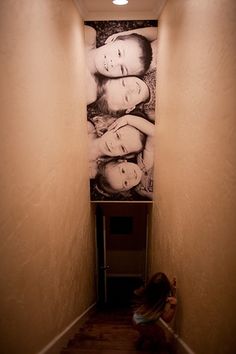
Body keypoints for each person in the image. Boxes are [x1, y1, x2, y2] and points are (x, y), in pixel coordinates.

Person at [94, 115, 154, 199]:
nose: (130, 176)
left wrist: (128, 119)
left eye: (123, 171)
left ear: (122, 160)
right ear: (126, 190)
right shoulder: (140, 190)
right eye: (125, 183)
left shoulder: (144, 164)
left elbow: (154, 134)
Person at [88, 114, 149, 179]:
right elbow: (154, 133)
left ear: (124, 155)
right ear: (113, 127)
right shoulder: (88, 128)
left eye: (122, 148)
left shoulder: (94, 171)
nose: (113, 145)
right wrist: (128, 118)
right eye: (117, 136)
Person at [85, 25, 153, 78]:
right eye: (119, 53)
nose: (114, 63)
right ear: (114, 39)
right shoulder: (88, 34)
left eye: (122, 69)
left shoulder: (90, 89)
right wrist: (118, 35)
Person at [132, 272, 177, 351]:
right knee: (160, 333)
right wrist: (173, 306)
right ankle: (161, 350)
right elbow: (167, 319)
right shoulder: (157, 305)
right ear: (164, 291)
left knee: (146, 333)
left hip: (136, 320)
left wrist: (171, 285)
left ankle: (139, 344)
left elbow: (160, 289)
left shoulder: (150, 296)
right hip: (143, 324)